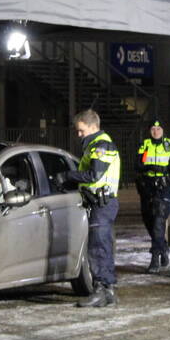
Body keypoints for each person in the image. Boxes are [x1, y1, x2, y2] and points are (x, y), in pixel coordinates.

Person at [55, 109, 121, 307]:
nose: (79, 134)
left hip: (103, 204)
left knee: (98, 247)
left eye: (81, 130)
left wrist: (68, 176)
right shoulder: (95, 145)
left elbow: (94, 175)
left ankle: (101, 290)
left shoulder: (101, 145)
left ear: (93, 127)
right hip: (100, 203)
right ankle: (107, 291)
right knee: (102, 246)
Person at [136, 120, 170, 273]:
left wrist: (166, 170)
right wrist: (150, 167)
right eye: (153, 128)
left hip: (164, 187)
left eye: (158, 128)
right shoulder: (145, 145)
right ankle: (163, 247)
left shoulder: (169, 145)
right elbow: (138, 165)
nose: (156, 131)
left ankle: (155, 257)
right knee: (149, 221)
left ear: (163, 130)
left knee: (159, 220)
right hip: (148, 186)